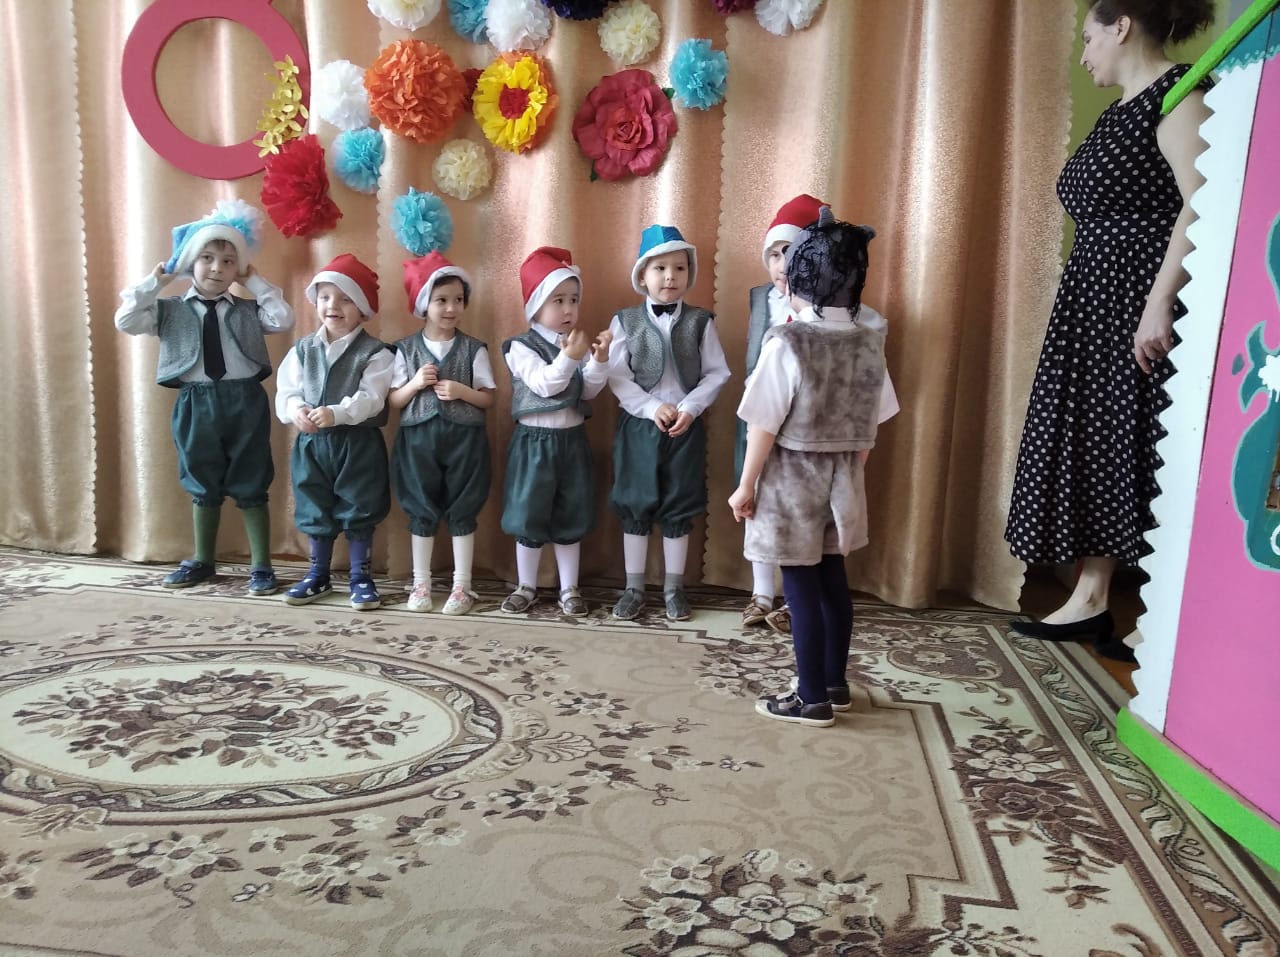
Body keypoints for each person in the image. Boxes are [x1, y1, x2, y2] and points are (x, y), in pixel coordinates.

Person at [1005, 0, 1214, 663]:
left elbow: (1198, 204)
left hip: (1137, 300)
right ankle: (1092, 595)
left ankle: (1162, 620)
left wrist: (1159, 304)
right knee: (1100, 439)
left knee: (1143, 443)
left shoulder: (1179, 97)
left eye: (1089, 37)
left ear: (1121, 27)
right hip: (1096, 301)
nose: (1084, 53)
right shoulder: (1120, 110)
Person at [731, 207, 898, 727]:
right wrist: (849, 466)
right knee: (832, 582)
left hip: (791, 484)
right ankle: (834, 683)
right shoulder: (867, 340)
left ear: (800, 279)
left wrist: (746, 485)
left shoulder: (789, 342)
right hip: (843, 480)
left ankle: (810, 698)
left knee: (799, 586)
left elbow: (763, 423)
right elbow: (874, 420)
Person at [114, 200, 294, 595]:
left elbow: (283, 319)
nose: (217, 268)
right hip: (196, 402)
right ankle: (203, 560)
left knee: (251, 477)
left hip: (244, 400)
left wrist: (256, 283)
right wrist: (156, 282)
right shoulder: (169, 310)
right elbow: (125, 319)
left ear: (238, 269)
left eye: (228, 261)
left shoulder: (247, 309)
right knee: (201, 476)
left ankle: (261, 565)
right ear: (189, 263)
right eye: (207, 258)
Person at [606, 225, 731, 621]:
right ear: (642, 275)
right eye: (660, 268)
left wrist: (690, 407)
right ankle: (634, 588)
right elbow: (617, 375)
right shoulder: (625, 321)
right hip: (639, 427)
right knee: (635, 501)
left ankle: (674, 588)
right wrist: (648, 407)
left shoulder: (700, 321)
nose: (670, 276)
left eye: (679, 268)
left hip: (685, 426)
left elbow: (717, 373)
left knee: (680, 501)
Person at [274, 254, 393, 611]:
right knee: (314, 504)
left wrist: (337, 413)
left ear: (363, 309)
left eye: (345, 299)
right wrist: (297, 410)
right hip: (313, 444)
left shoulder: (376, 353)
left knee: (360, 505)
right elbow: (287, 390)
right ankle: (318, 573)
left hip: (356, 444)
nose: (333, 306)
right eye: (325, 297)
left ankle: (360, 576)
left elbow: (372, 397)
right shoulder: (303, 349)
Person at [499, 246, 612, 617]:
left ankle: (569, 588)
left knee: (570, 513)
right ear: (536, 306)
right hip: (534, 444)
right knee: (528, 513)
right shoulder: (519, 347)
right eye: (558, 300)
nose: (568, 309)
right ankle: (526, 585)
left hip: (572, 441)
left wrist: (598, 361)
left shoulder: (575, 344)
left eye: (574, 300)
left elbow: (587, 391)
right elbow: (545, 384)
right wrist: (571, 357)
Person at [734, 193, 828, 635]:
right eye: (774, 254)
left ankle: (796, 598)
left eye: (791, 252)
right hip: (760, 417)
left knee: (800, 509)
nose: (781, 264)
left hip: (804, 428)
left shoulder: (830, 312)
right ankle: (761, 592)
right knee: (754, 500)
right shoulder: (760, 299)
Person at [389, 252, 495, 616]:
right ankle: (421, 581)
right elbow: (394, 400)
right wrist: (416, 383)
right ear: (424, 304)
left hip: (465, 440)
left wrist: (463, 392)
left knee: (463, 506)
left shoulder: (474, 349)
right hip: (417, 439)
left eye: (458, 300)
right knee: (420, 504)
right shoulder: (405, 349)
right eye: (441, 300)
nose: (451, 308)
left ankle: (461, 584)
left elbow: (488, 398)